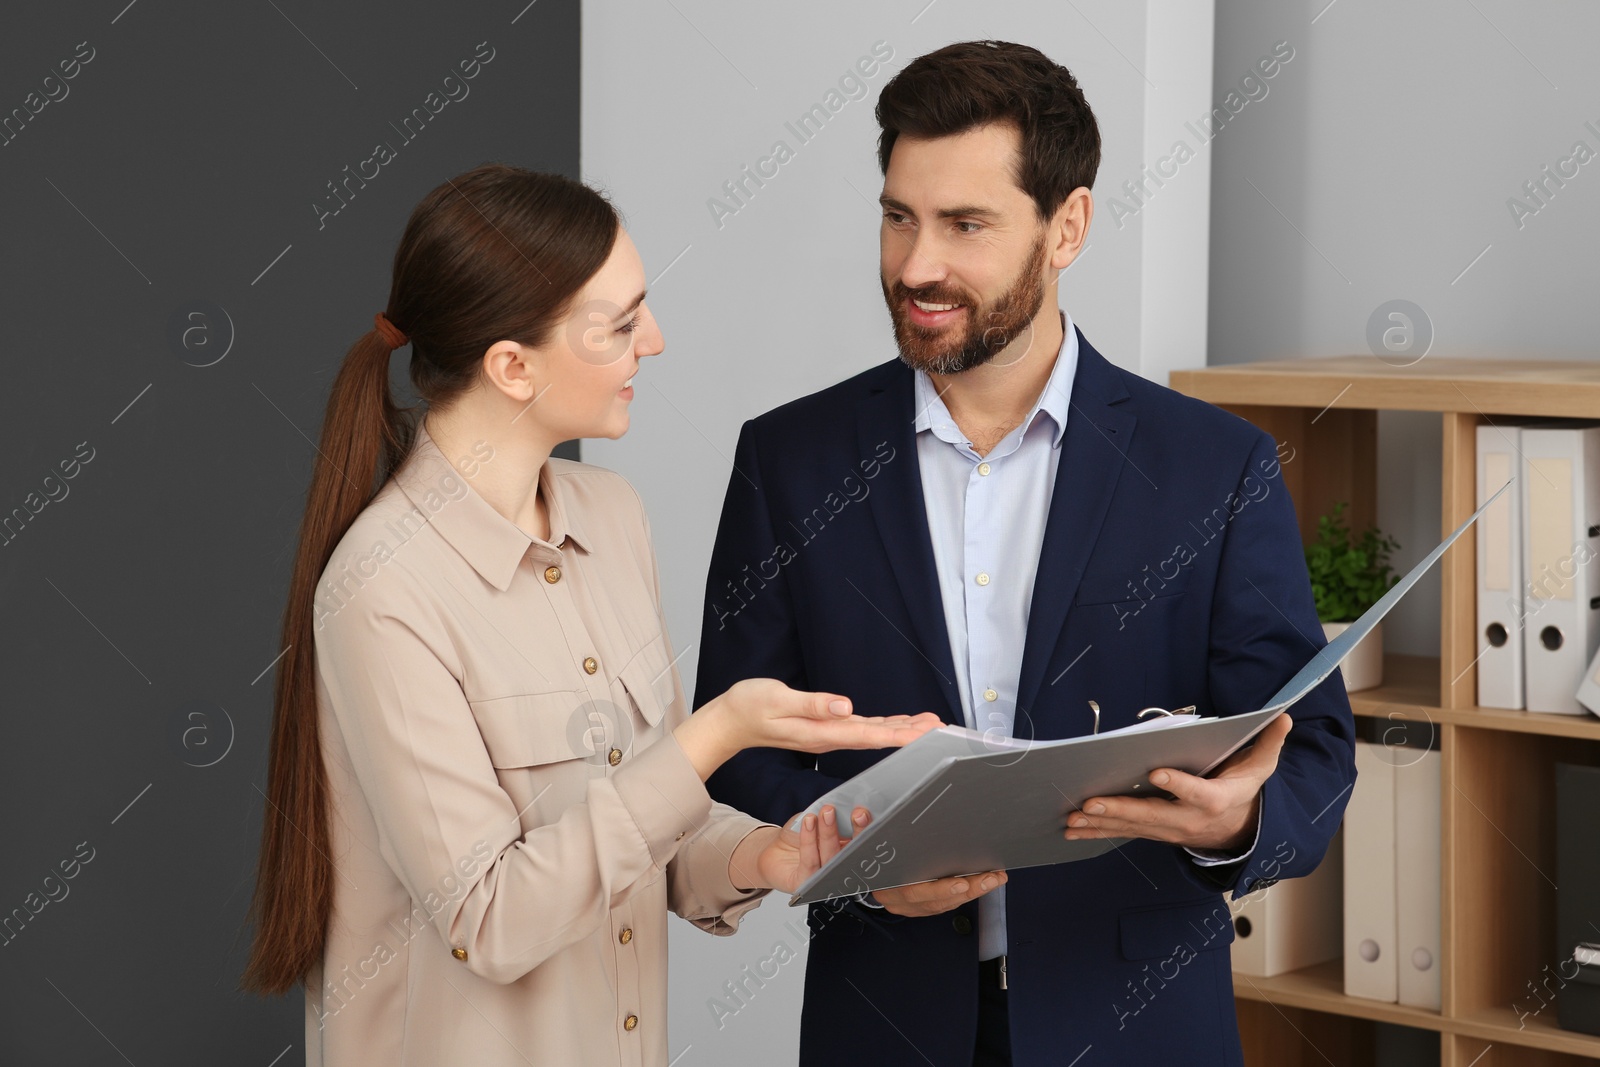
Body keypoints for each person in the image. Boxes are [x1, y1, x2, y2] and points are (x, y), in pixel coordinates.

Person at [695, 40, 1357, 1067]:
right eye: (898, 216)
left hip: (1139, 1025)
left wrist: (1235, 821)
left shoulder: (1212, 466)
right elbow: (736, 745)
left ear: (1068, 227)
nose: (917, 264)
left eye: (965, 225)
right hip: (882, 1020)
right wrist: (864, 862)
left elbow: (1310, 749)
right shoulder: (790, 459)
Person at [240, 162, 941, 1067]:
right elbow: (491, 919)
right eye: (617, 325)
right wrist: (716, 734)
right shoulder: (384, 587)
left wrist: (774, 855)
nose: (653, 339)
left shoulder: (611, 518)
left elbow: (642, 832)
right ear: (512, 366)